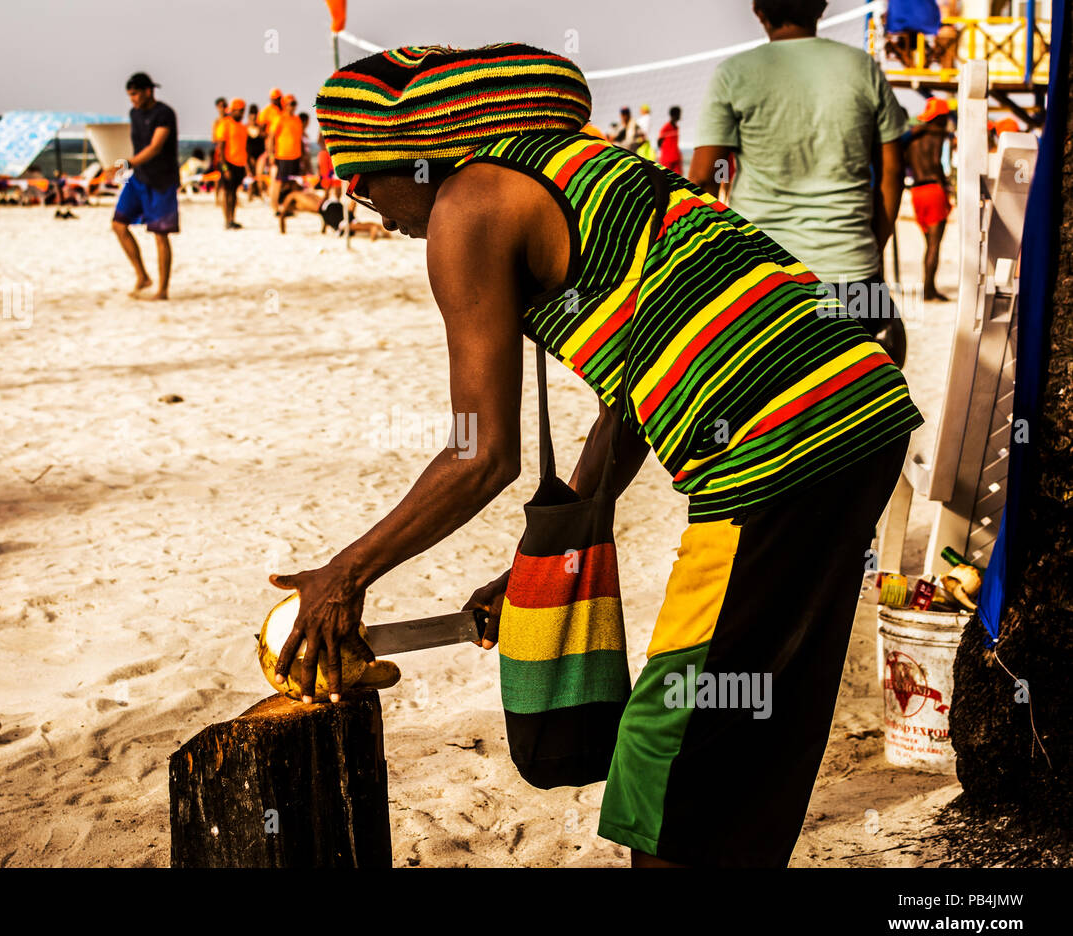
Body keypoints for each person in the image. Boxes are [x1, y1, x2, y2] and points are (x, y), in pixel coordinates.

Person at [287, 43, 923, 868]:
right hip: (858, 411)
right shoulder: (581, 164)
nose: (354, 194)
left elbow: (480, 456)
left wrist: (348, 573)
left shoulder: (469, 206)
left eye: (360, 171)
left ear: (414, 153)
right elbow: (633, 384)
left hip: (777, 447)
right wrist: (553, 550)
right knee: (747, 744)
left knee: (665, 761)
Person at [690, 0, 910, 368]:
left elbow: (702, 178)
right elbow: (892, 173)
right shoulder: (863, 68)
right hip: (852, 275)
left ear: (759, 12)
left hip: (763, 277)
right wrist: (874, 240)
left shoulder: (734, 73)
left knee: (766, 406)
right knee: (852, 405)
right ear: (821, 8)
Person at [111, 72, 178, 299]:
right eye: (130, 95)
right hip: (139, 178)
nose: (133, 99)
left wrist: (125, 163)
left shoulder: (164, 114)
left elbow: (155, 147)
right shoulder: (134, 113)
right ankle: (142, 276)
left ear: (148, 91)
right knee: (118, 225)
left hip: (162, 181)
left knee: (160, 235)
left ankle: (163, 290)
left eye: (135, 94)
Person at [907, 98, 953, 300]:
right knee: (934, 245)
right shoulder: (939, 136)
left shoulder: (911, 137)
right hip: (934, 189)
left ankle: (928, 286)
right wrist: (946, 185)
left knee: (928, 244)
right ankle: (929, 289)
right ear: (941, 117)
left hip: (916, 192)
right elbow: (938, 162)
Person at [267, 95, 304, 214]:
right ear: (285, 105)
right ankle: (275, 208)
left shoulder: (297, 119)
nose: (293, 106)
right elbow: (271, 138)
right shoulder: (279, 118)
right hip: (282, 156)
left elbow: (300, 139)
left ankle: (288, 207)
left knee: (292, 183)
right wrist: (271, 155)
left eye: (294, 103)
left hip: (296, 156)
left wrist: (303, 155)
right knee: (278, 183)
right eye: (291, 104)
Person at [217, 99, 249, 229]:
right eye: (240, 111)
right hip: (228, 164)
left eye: (243, 111)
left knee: (234, 193)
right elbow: (220, 149)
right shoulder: (225, 124)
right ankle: (227, 220)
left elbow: (243, 148)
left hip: (239, 164)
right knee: (227, 193)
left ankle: (233, 219)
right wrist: (225, 168)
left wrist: (246, 166)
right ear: (233, 110)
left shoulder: (242, 127)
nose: (242, 114)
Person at [245, 103, 266, 199]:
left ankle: (260, 193)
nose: (253, 119)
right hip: (250, 155)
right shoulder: (245, 128)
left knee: (258, 175)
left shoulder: (260, 128)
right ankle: (251, 194)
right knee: (251, 175)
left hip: (259, 154)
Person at [657, 105, 683, 175]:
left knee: (679, 178)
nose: (680, 116)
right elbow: (659, 141)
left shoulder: (676, 127)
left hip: (676, 157)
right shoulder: (666, 127)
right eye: (679, 114)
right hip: (667, 159)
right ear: (675, 115)